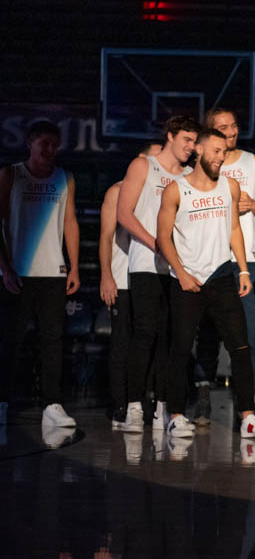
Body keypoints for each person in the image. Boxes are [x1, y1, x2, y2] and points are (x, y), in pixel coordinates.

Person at [155, 128, 255, 439]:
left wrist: (245, 270)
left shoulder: (229, 187)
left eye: (224, 152)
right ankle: (177, 414)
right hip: (187, 279)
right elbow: (163, 238)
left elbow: (234, 227)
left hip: (223, 276)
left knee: (241, 346)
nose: (221, 157)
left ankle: (248, 417)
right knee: (181, 348)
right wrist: (180, 272)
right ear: (198, 150)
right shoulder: (176, 190)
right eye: (215, 151)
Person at [116, 115, 199, 432]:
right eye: (186, 140)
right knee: (145, 333)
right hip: (146, 262)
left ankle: (164, 407)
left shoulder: (191, 175)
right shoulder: (143, 166)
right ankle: (135, 406)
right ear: (170, 135)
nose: (191, 148)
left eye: (194, 142)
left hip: (179, 268)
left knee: (174, 339)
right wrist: (156, 243)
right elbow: (124, 213)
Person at [192, 108, 255, 424]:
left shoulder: (254, 163)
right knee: (208, 335)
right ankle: (202, 399)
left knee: (250, 335)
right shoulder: (203, 165)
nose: (231, 131)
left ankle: (247, 406)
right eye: (222, 127)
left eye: (234, 125)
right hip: (208, 260)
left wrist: (254, 205)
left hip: (246, 261)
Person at [0, 120, 81, 428]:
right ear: (30, 144)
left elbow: (70, 222)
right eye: (43, 143)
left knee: (53, 340)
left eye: (53, 144)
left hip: (53, 272)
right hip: (17, 272)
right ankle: (3, 402)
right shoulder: (12, 174)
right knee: (10, 340)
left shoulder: (64, 177)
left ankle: (52, 404)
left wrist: (73, 266)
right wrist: (5, 268)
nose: (49, 149)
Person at [98, 140, 162, 429]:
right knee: (122, 342)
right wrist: (106, 275)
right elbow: (106, 236)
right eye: (156, 158)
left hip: (147, 276)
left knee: (146, 340)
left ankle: (142, 401)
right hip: (122, 278)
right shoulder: (116, 191)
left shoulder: (160, 193)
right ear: (141, 160)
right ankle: (120, 404)